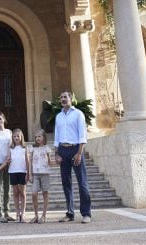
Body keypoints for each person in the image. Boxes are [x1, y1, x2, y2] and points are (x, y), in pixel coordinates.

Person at [53, 90, 92, 224]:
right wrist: (56, 153)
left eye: (65, 97)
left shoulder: (78, 114)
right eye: (61, 97)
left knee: (82, 183)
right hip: (63, 150)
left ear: (71, 99)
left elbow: (82, 135)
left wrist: (79, 153)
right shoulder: (58, 116)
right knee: (66, 183)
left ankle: (86, 214)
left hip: (75, 149)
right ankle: (70, 213)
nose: (63, 99)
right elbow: (57, 137)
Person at [29, 129, 52, 223]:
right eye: (36, 137)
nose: (38, 138)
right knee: (34, 193)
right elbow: (30, 162)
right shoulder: (32, 148)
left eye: (39, 136)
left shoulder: (47, 148)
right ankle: (36, 215)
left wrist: (60, 162)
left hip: (45, 173)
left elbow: (50, 161)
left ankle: (44, 215)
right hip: (35, 174)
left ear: (43, 137)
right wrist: (30, 174)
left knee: (45, 193)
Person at [6, 128, 29, 223]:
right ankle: (17, 212)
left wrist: (28, 172)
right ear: (12, 138)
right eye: (14, 136)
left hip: (22, 171)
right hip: (13, 171)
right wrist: (7, 161)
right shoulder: (11, 148)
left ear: (21, 137)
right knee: (15, 193)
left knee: (22, 193)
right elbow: (8, 159)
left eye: (18, 136)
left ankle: (23, 213)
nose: (16, 138)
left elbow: (27, 161)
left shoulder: (24, 148)